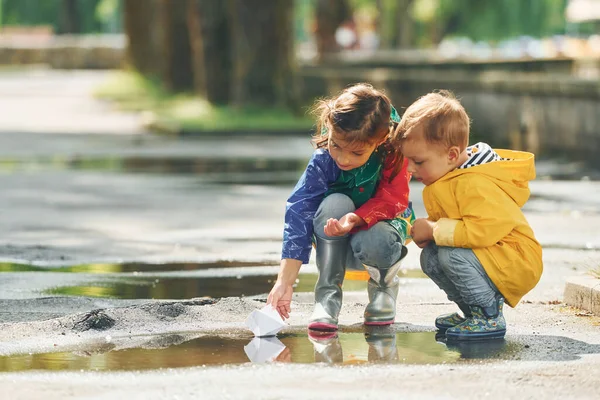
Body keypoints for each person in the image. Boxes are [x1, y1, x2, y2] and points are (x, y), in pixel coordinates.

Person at [397, 90, 543, 341]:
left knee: (451, 255)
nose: (410, 168)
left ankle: (488, 316)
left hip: (513, 258)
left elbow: (482, 229)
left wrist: (434, 230)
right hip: (490, 255)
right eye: (407, 160)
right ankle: (472, 312)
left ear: (452, 155)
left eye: (418, 161)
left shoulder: (475, 184)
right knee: (431, 256)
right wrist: (429, 234)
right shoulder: (445, 176)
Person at [267, 83, 414, 331]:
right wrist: (285, 282)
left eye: (357, 152)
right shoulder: (324, 158)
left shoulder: (394, 154)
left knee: (375, 236)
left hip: (379, 239)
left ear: (380, 140)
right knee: (335, 202)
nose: (344, 159)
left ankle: (383, 290)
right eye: (336, 145)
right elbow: (298, 212)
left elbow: (393, 199)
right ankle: (327, 299)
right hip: (336, 246)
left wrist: (357, 218)